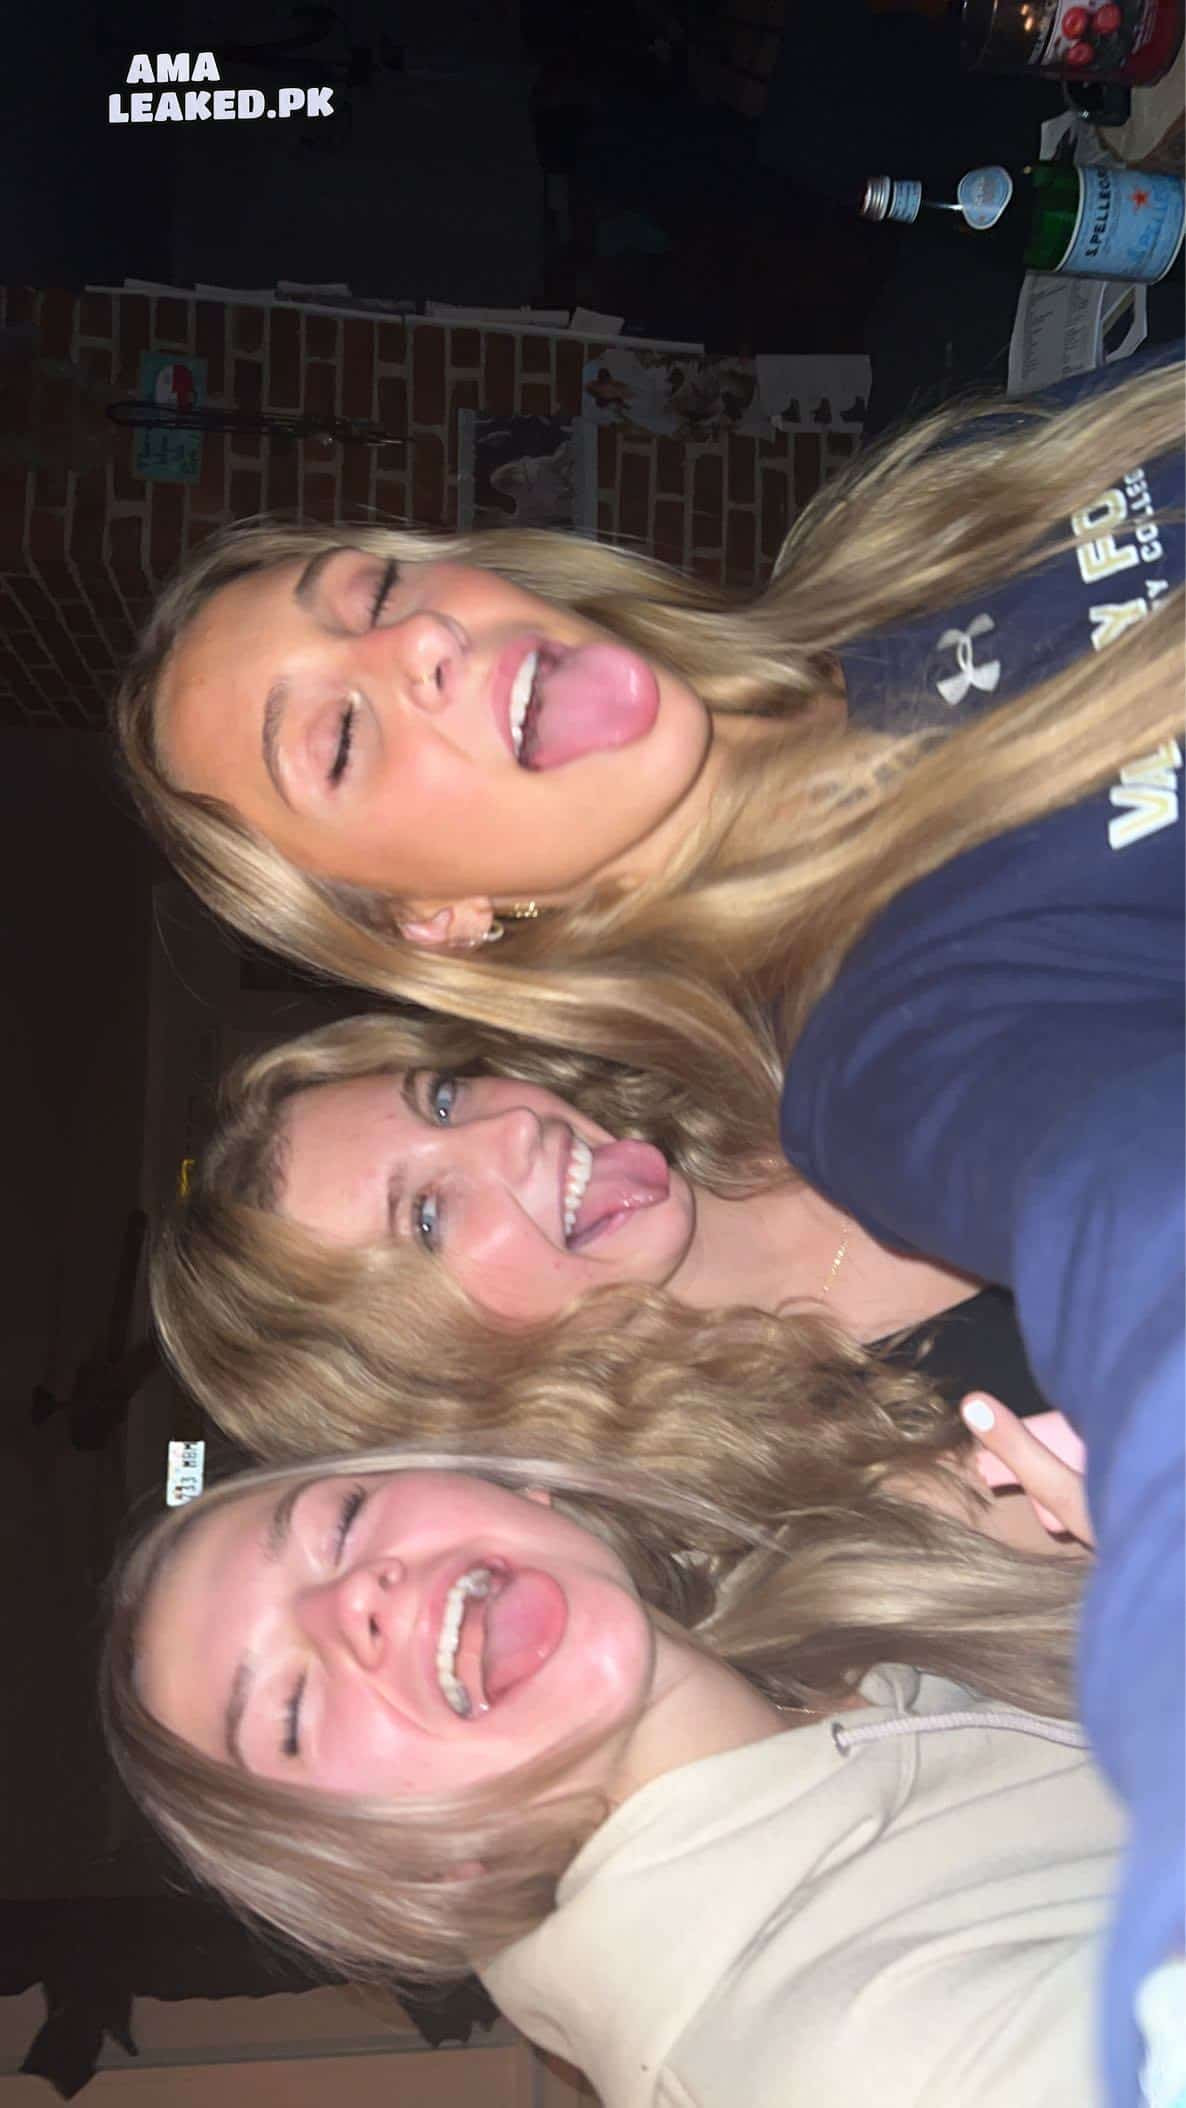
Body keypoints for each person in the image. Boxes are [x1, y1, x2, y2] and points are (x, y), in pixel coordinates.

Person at [101, 1420, 1111, 2108]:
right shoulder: (865, 2059)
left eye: (341, 1521)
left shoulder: (848, 1606)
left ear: (513, 1489)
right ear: (388, 1868)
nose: (351, 1601)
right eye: (289, 1711)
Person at [156, 1010, 1051, 1463]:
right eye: (427, 1218)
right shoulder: (848, 1505)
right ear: (430, 1380)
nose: (511, 1129)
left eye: (443, 1100)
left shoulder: (800, 1027)